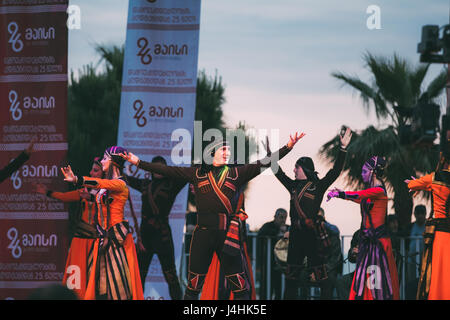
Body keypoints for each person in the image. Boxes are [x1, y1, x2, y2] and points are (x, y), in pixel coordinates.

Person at [120, 132, 304, 299]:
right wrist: (137, 162)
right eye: (223, 149)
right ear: (212, 152)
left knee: (241, 288)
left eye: (229, 150)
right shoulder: (198, 174)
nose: (227, 152)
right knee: (192, 288)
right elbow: (168, 171)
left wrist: (288, 147)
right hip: (203, 235)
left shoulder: (235, 173)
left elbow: (263, 163)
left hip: (227, 237)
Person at [268, 127, 351, 300]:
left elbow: (335, 171)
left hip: (312, 238)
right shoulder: (292, 185)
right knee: (291, 281)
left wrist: (343, 149)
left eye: (296, 168)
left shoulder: (318, 186)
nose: (293, 171)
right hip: (296, 238)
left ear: (304, 169)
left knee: (323, 281)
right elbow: (278, 172)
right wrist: (271, 156)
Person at [61, 146, 144, 300]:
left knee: (118, 288)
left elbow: (100, 184)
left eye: (106, 158)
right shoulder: (108, 184)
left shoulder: (119, 183)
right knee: (100, 287)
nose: (103, 161)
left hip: (116, 240)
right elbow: (104, 201)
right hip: (103, 239)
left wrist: (77, 179)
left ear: (113, 162)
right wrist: (91, 197)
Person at [327, 156, 400, 300]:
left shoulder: (379, 190)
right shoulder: (372, 190)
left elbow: (360, 195)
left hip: (378, 243)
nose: (362, 173)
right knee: (367, 279)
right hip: (369, 243)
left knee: (377, 283)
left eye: (364, 171)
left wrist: (340, 194)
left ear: (372, 171)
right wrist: (342, 193)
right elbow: (360, 197)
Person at [34, 156, 103, 299]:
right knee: (76, 278)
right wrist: (47, 192)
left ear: (104, 173)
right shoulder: (86, 189)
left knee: (96, 282)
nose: (91, 173)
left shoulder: (107, 193)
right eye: (91, 170)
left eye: (95, 170)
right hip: (80, 241)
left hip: (97, 243)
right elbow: (65, 197)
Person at [124, 155, 187, 300]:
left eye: (161, 167)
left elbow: (188, 175)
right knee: (139, 276)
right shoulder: (145, 184)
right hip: (145, 235)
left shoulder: (173, 184)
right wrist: (115, 169)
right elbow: (127, 179)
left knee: (171, 276)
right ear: (151, 169)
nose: (158, 170)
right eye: (155, 167)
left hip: (162, 235)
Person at [405, 154, 450, 300]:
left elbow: (411, 185)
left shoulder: (435, 177)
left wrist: (420, 185)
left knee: (437, 270)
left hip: (440, 234)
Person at [257, 208, 288, 300]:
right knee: (266, 289)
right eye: (281, 217)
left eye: (285, 217)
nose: (283, 220)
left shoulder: (288, 228)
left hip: (282, 264)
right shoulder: (267, 226)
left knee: (280, 289)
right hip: (268, 262)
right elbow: (261, 234)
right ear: (275, 217)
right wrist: (278, 233)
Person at [335, 229, 360, 300]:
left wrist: (363, 253)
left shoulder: (380, 234)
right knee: (341, 281)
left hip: (374, 273)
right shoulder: (358, 234)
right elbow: (351, 259)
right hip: (358, 273)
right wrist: (353, 254)